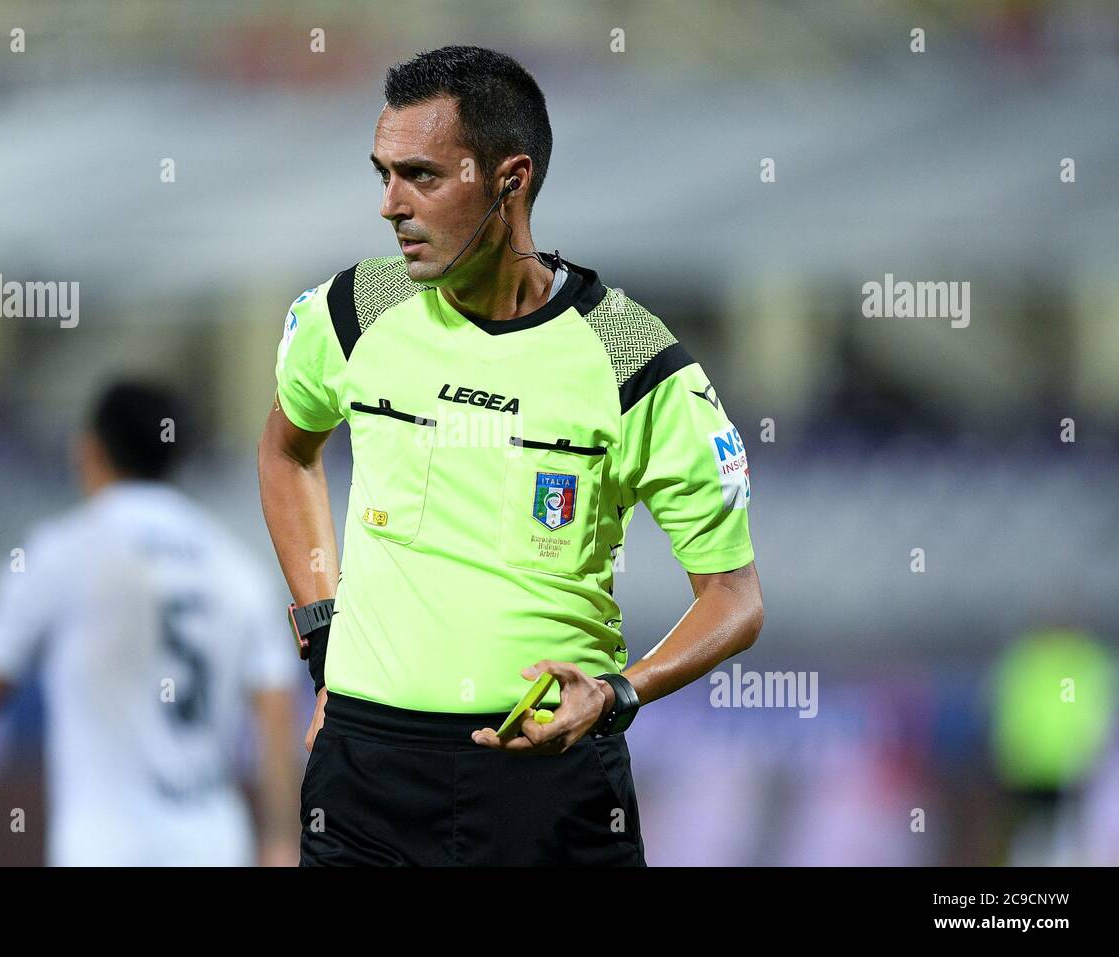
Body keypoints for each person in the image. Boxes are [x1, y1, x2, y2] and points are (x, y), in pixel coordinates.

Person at [258, 45, 764, 866]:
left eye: (421, 175)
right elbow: (286, 451)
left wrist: (617, 692)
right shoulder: (353, 310)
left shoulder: (633, 354)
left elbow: (734, 598)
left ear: (509, 179)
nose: (391, 205)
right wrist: (324, 636)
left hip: (550, 786)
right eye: (383, 173)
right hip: (365, 777)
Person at [0, 381, 301, 866]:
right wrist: (281, 841)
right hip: (212, 846)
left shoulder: (61, 552)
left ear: (89, 450)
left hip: (105, 847)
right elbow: (276, 717)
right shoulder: (238, 568)